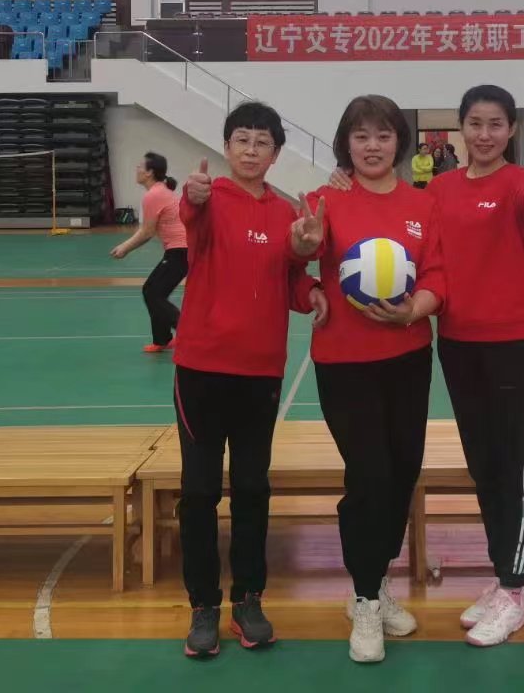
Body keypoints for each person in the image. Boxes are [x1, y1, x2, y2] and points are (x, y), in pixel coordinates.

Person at [328, 86, 524, 647]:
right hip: (456, 343)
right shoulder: (437, 189)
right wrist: (342, 180)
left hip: (512, 342)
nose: (484, 135)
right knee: (484, 466)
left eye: (496, 124)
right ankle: (499, 577)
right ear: (460, 128)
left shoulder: (519, 180)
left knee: (514, 468)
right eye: (475, 124)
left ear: (511, 129)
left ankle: (514, 591)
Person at [292, 95, 446, 665]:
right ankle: (363, 601)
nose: (373, 145)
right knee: (369, 475)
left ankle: (376, 581)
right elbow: (297, 260)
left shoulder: (422, 203)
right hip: (344, 360)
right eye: (361, 136)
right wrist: (307, 264)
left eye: (383, 135)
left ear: (399, 143)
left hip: (407, 355)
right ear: (346, 144)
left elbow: (437, 274)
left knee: (402, 472)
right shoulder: (324, 200)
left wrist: (413, 311)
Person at [171, 102, 327, 660]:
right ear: (226, 146)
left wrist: (312, 289)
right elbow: (191, 220)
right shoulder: (209, 200)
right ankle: (203, 606)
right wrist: (192, 197)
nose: (251, 150)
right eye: (242, 139)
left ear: (276, 154)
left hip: (260, 373)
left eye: (262, 142)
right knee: (199, 491)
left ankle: (248, 599)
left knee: (253, 488)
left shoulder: (285, 212)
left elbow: (292, 275)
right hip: (201, 369)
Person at [111, 152, 188, 353]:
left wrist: (125, 247)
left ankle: (188, 334)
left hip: (181, 251)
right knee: (154, 291)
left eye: (140, 166)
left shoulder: (154, 195)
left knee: (152, 292)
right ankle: (162, 340)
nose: (136, 170)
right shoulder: (159, 191)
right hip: (179, 250)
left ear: (149, 172)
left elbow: (147, 232)